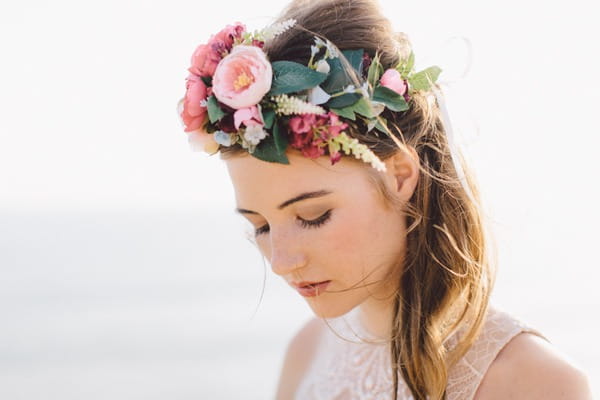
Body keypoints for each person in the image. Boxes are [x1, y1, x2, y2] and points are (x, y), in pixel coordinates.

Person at [178, 0, 592, 398]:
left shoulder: (535, 383)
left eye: (313, 215)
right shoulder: (307, 353)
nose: (282, 262)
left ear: (399, 175)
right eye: (261, 226)